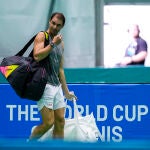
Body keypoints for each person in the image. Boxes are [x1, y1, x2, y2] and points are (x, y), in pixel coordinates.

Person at [29, 12, 77, 140]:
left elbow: (60, 69)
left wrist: (66, 91)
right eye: (53, 23)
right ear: (50, 21)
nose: (55, 27)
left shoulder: (61, 43)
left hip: (57, 86)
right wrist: (52, 44)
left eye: (58, 25)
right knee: (48, 123)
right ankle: (28, 145)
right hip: (44, 85)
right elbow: (37, 56)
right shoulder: (41, 36)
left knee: (60, 121)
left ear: (62, 26)